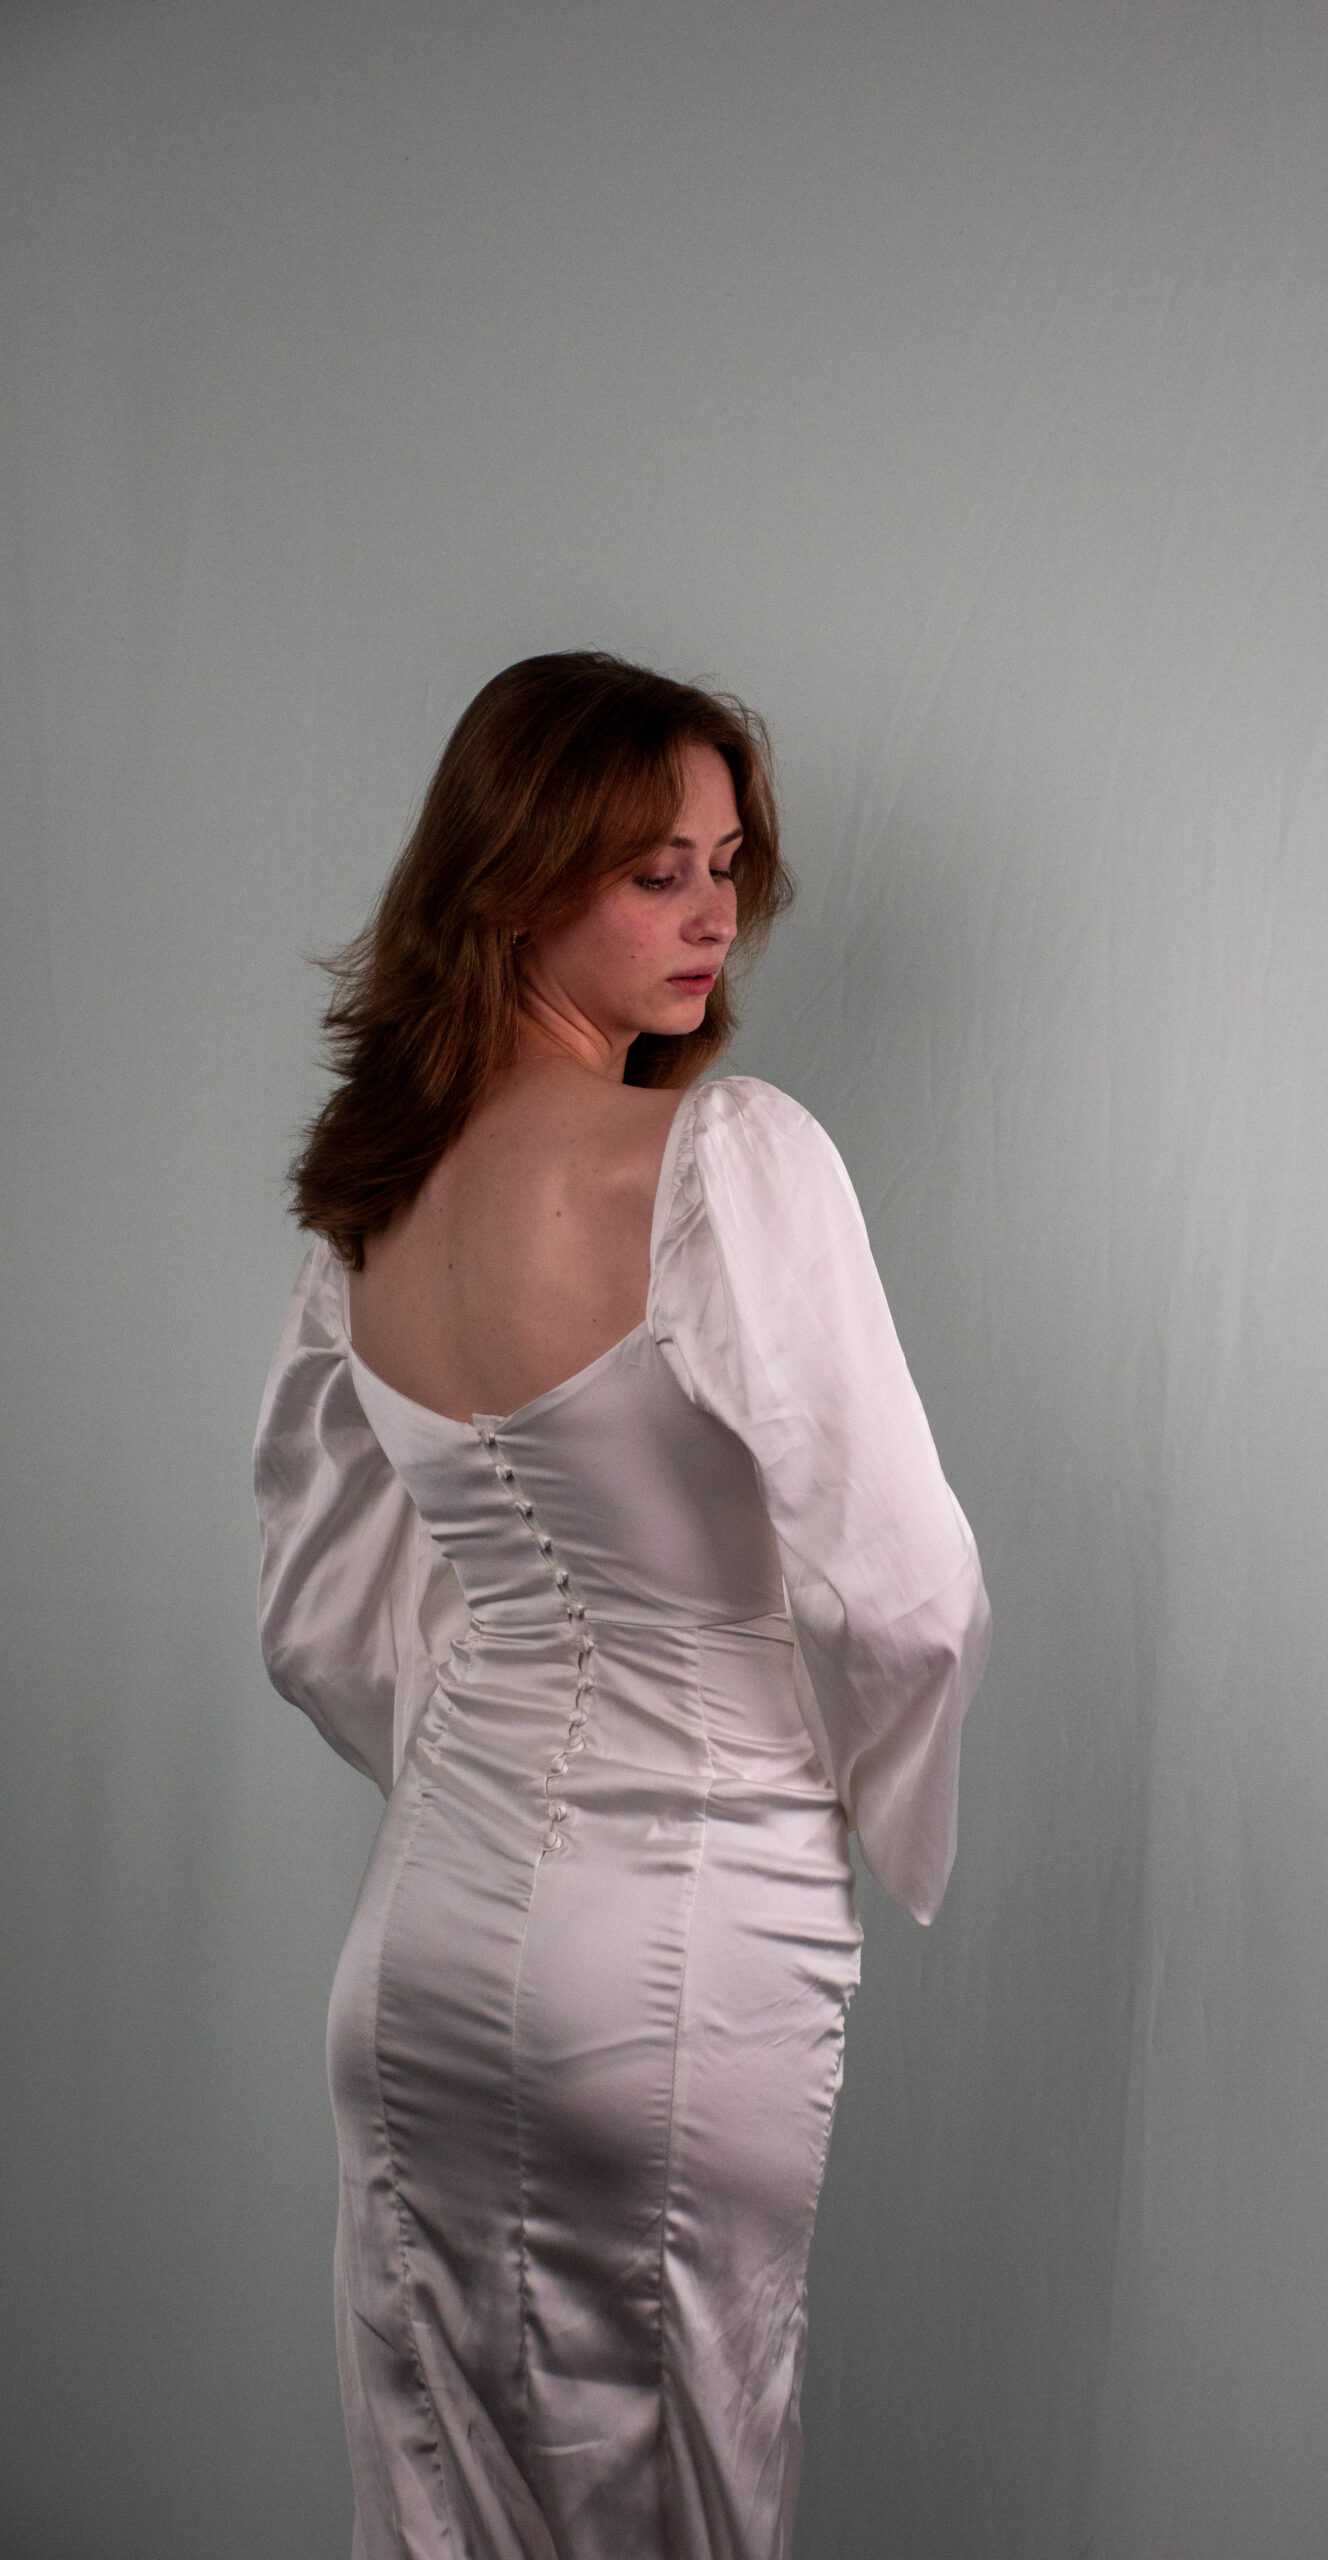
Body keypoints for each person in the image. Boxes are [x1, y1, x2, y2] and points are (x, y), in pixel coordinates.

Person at [252, 652, 990, 2560]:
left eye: (727, 866)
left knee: (445, 2501)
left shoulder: (370, 1208)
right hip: (687, 1941)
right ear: (512, 875)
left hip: (422, 1949)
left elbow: (318, 1619)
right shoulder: (725, 1159)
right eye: (656, 871)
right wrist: (851, 1806)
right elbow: (909, 1592)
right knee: (680, 2494)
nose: (715, 914)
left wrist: (483, 1775)